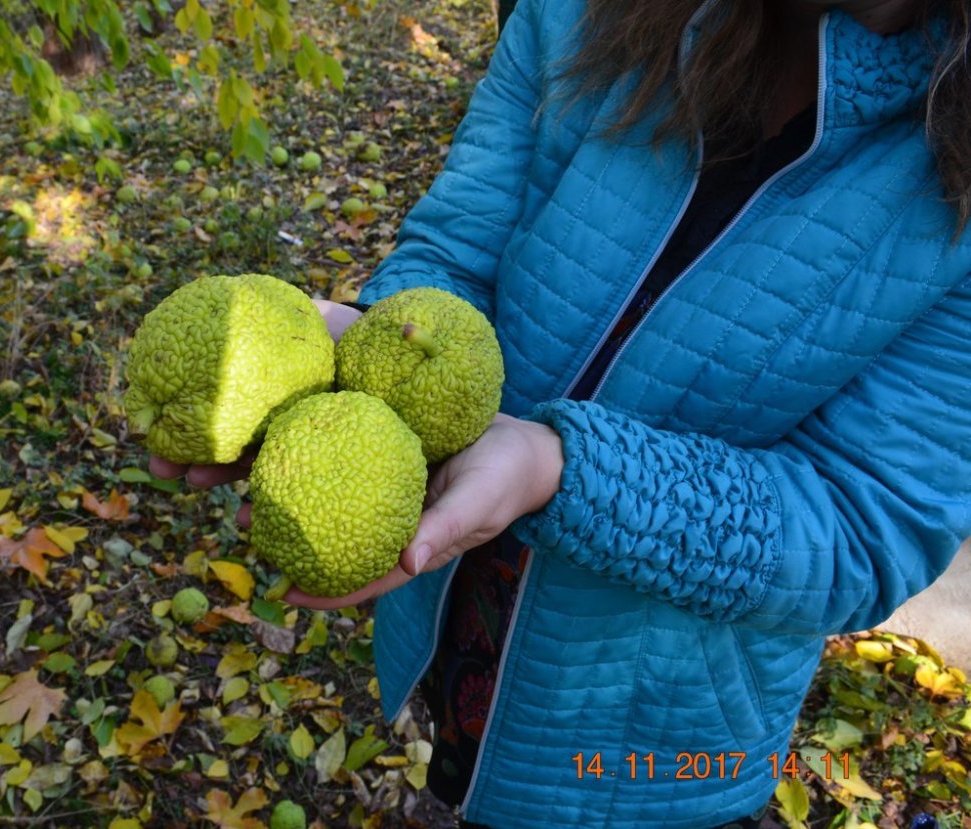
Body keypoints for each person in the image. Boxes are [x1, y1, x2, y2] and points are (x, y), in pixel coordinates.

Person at [151, 0, 971, 824]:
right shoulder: (578, 14)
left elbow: (863, 527)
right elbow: (452, 251)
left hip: (647, 748)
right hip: (442, 615)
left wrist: (560, 470)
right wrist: (375, 354)